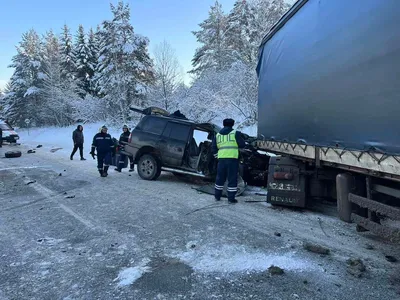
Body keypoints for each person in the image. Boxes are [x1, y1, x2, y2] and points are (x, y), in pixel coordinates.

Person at [211, 118, 246, 204]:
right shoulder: (235, 133)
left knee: (220, 178)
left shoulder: (218, 135)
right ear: (232, 124)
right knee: (232, 179)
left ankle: (217, 196)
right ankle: (231, 199)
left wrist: (217, 157)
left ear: (223, 124)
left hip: (221, 160)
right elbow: (242, 144)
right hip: (232, 160)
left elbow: (213, 148)